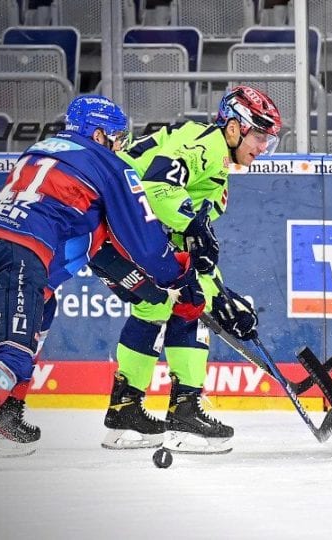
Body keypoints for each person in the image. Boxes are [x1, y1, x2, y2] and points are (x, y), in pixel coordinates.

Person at [0, 95, 206, 465]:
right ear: (99, 133)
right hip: (16, 252)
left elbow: (94, 250)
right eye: (118, 136)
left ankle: (6, 415)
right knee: (11, 352)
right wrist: (179, 276)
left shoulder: (40, 150)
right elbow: (145, 245)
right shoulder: (109, 164)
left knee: (43, 306)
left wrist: (153, 287)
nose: (121, 144)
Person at [97, 86, 282, 453]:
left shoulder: (216, 168)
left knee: (170, 301)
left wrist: (224, 298)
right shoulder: (203, 146)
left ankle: (126, 412)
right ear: (233, 128)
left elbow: (193, 252)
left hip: (118, 231)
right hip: (115, 228)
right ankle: (181, 413)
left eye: (268, 140)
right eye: (259, 136)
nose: (263, 148)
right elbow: (156, 188)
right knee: (187, 300)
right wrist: (197, 234)